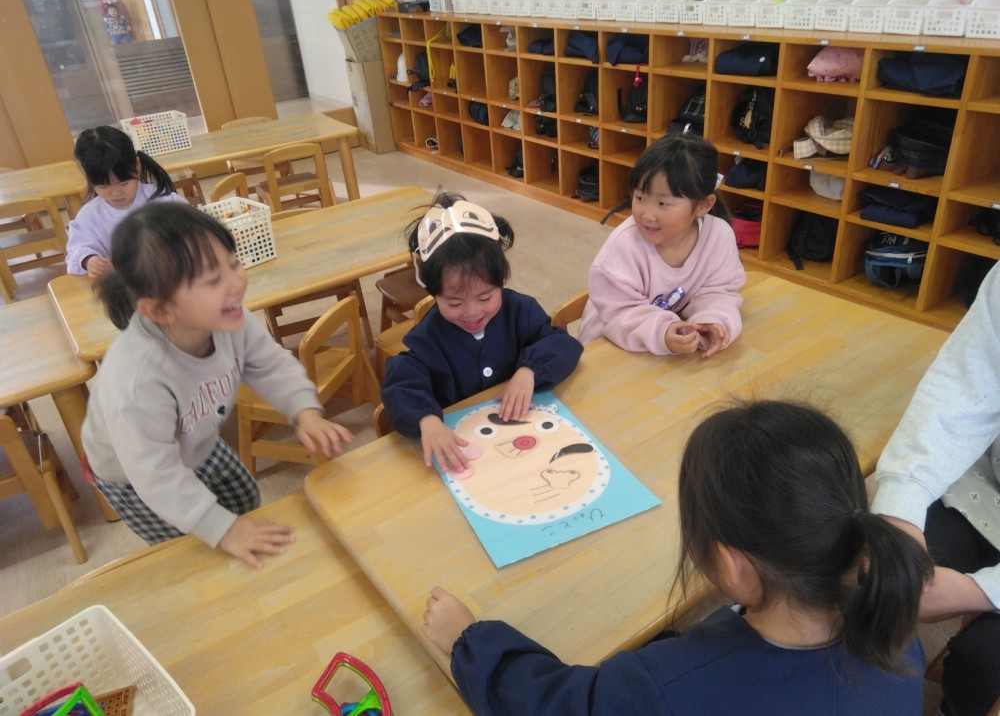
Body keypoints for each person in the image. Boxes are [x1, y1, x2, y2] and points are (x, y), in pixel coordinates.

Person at [422, 400, 933, 715]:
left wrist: (470, 640)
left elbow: (549, 704)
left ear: (731, 566)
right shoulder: (897, 633)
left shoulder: (657, 689)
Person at [82, 202, 353, 568]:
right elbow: (155, 474)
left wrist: (304, 411)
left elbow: (270, 363)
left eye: (234, 263)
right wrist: (222, 530)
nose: (237, 283)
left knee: (244, 499)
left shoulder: (228, 317)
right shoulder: (135, 381)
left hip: (196, 437)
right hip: (133, 474)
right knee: (193, 549)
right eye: (213, 280)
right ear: (161, 310)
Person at [873, 261, 1000, 716]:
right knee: (880, 578)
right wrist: (899, 514)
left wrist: (981, 591)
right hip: (987, 488)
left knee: (982, 666)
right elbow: (964, 392)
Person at [381, 191, 583, 473]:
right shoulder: (428, 338)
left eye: (485, 297)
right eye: (454, 303)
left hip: (526, 438)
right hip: (469, 451)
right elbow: (400, 386)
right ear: (432, 293)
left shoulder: (520, 310)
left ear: (503, 279)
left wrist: (529, 371)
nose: (472, 312)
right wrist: (427, 421)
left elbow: (562, 343)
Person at [579, 134, 745, 358]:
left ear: (704, 205)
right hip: (612, 343)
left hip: (668, 346)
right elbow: (619, 312)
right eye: (640, 198)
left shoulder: (719, 236)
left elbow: (719, 291)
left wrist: (712, 320)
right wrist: (661, 331)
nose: (647, 215)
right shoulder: (625, 245)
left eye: (662, 203)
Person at [67, 125, 187, 278]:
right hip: (122, 284)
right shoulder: (89, 216)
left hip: (169, 277)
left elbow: (194, 231)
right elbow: (76, 251)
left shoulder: (162, 201)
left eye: (124, 183)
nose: (116, 193)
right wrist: (88, 260)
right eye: (103, 186)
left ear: (137, 167)